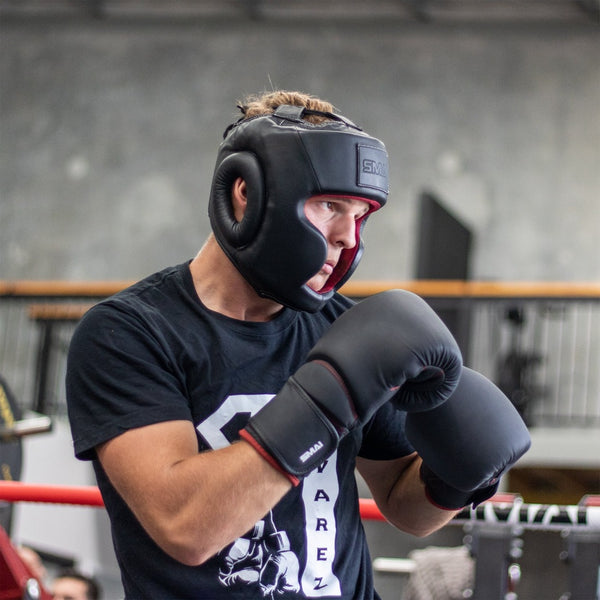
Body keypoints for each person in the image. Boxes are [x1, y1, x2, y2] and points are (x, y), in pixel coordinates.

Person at [66, 90, 530, 599]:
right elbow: (186, 526)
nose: (346, 237)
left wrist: (454, 478)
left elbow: (405, 508)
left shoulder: (344, 329)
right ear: (247, 191)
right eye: (330, 205)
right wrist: (329, 400)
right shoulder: (129, 333)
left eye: (360, 216)